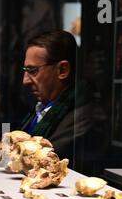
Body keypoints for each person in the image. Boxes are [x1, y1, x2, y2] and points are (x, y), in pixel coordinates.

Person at [19, 30, 95, 160]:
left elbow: (39, 160)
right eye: (26, 71)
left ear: (63, 70)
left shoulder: (84, 119)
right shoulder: (40, 109)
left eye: (33, 71)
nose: (25, 80)